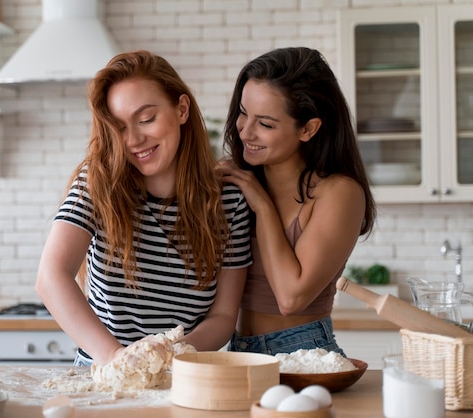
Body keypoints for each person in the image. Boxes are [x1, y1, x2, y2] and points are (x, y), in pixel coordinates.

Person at [35, 50, 252, 367]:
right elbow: (51, 277)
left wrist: (166, 355)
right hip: (105, 374)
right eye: (119, 126)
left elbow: (222, 317)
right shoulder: (97, 182)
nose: (134, 139)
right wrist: (118, 358)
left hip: (182, 373)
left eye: (146, 119)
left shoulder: (228, 202)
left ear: (181, 109)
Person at [216, 47, 376, 356]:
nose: (245, 131)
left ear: (308, 129)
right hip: (237, 351)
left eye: (265, 124)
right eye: (243, 113)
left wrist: (263, 207)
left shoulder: (338, 192)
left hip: (302, 350)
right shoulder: (237, 180)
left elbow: (291, 298)